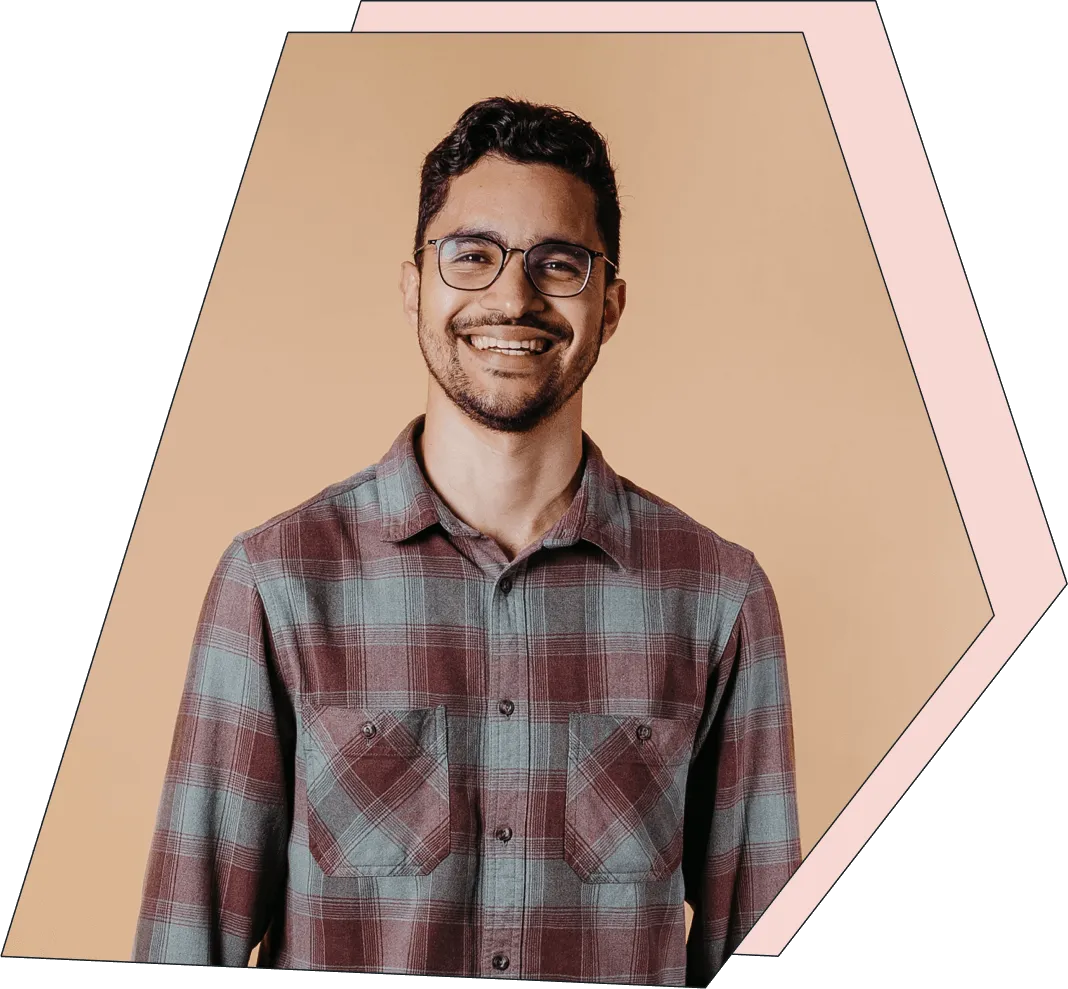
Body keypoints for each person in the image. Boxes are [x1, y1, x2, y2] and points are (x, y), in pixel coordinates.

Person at [133, 96, 802, 984]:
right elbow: (190, 941)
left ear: (610, 305)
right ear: (415, 286)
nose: (513, 296)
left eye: (559, 264)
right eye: (471, 255)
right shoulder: (276, 582)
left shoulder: (720, 598)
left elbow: (752, 943)